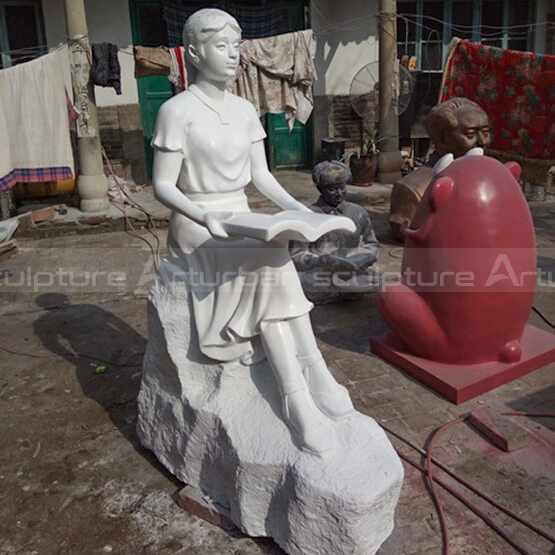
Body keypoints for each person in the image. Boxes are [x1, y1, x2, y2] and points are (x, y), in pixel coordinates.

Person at [151, 8, 353, 455]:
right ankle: (303, 390)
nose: (232, 56)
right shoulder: (175, 111)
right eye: (220, 46)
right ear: (193, 52)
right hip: (198, 223)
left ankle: (304, 385)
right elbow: (163, 185)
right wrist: (205, 217)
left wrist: (301, 209)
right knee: (272, 265)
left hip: (239, 216)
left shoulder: (245, 110)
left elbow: (261, 178)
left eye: (235, 46)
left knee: (273, 262)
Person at [389, 97, 491, 241]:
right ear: (441, 139)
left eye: (486, 133)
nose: (482, 142)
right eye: (470, 135)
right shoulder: (412, 189)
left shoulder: (489, 183)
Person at [290, 160, 379, 303]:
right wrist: (321, 261)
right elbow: (296, 255)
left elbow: (372, 244)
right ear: (320, 189)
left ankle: (348, 290)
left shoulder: (358, 212)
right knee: (298, 281)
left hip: (351, 273)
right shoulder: (307, 216)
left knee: (373, 278)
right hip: (319, 275)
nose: (338, 193)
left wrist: (364, 257)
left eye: (342, 187)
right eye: (331, 189)